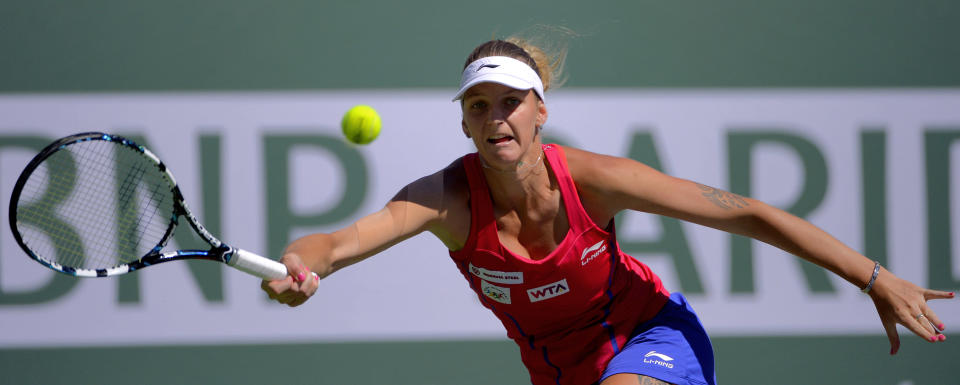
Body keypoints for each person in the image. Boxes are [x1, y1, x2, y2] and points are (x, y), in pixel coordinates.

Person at [261, 37, 955, 385]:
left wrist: (873, 276)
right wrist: (302, 264)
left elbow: (746, 213)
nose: (496, 116)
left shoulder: (595, 181)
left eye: (510, 101)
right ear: (466, 125)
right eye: (480, 106)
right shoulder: (446, 200)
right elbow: (341, 240)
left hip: (651, 335)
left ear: (540, 111)